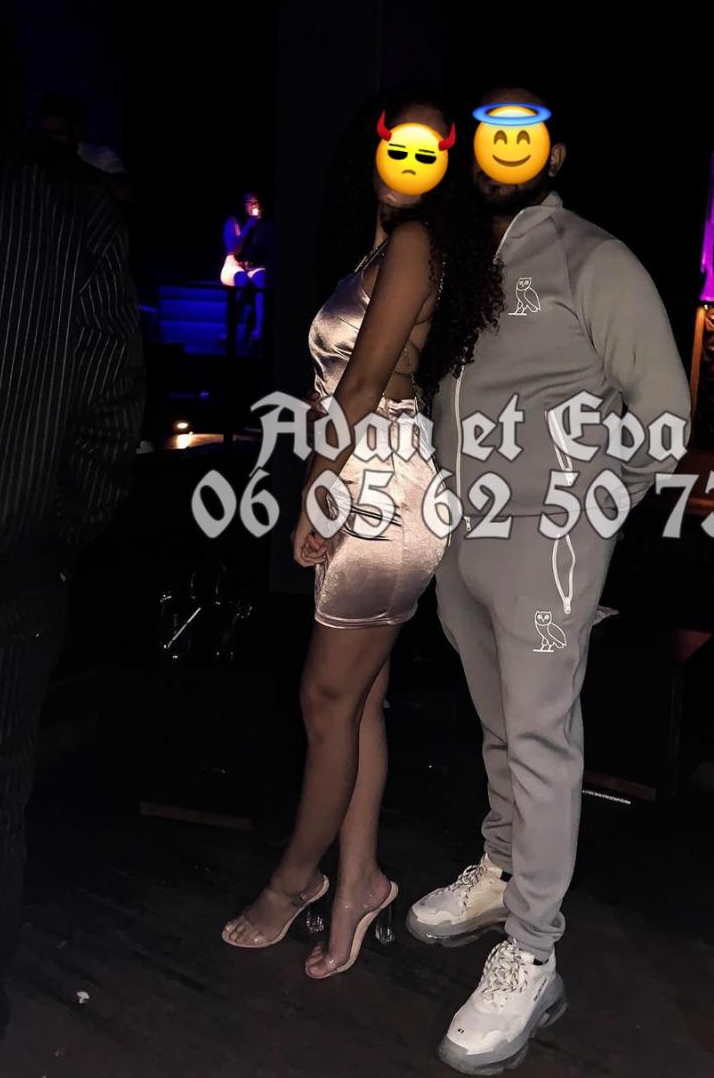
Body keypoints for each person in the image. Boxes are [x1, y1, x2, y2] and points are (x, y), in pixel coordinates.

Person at [407, 86, 691, 1074]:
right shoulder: (465, 261)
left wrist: (586, 510)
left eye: (523, 138)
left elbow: (663, 414)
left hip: (546, 543)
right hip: (462, 533)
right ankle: (500, 868)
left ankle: (532, 951)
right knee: (500, 726)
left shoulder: (592, 259)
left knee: (539, 740)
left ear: (555, 156)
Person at [220, 88, 501, 978]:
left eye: (429, 150)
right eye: (397, 144)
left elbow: (363, 383)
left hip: (376, 485)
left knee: (325, 702)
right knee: (357, 705)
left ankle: (291, 882)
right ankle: (358, 885)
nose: (409, 161)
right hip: (368, 472)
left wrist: (315, 486)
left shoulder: (414, 244)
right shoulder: (388, 245)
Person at [0, 0, 145, 1078]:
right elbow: (112, 414)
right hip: (0, 571)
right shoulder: (64, 206)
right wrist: (47, 531)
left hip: (2, 564)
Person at [220, 190, 274, 347]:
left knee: (262, 279)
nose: (254, 206)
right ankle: (230, 328)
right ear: (242, 205)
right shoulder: (233, 221)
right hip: (233, 264)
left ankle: (258, 330)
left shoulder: (261, 224)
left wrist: (259, 229)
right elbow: (232, 248)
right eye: (250, 202)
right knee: (242, 279)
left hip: (252, 265)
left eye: (256, 202)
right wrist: (248, 227)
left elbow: (263, 250)